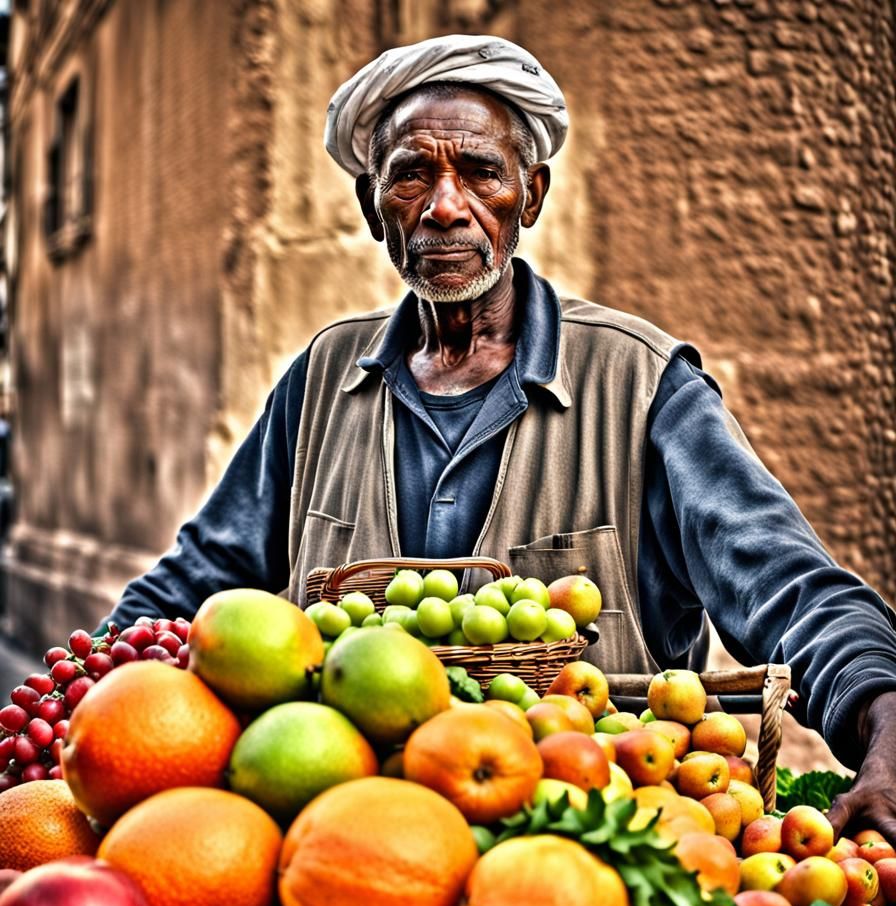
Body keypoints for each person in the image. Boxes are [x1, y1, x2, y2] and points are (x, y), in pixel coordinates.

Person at [105, 34, 896, 845]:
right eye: (411, 175)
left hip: (577, 856)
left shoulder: (641, 382)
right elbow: (192, 585)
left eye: (481, 173)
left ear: (531, 194)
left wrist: (886, 723)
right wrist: (92, 686)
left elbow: (788, 587)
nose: (445, 207)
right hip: (344, 847)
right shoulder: (321, 380)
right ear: (374, 208)